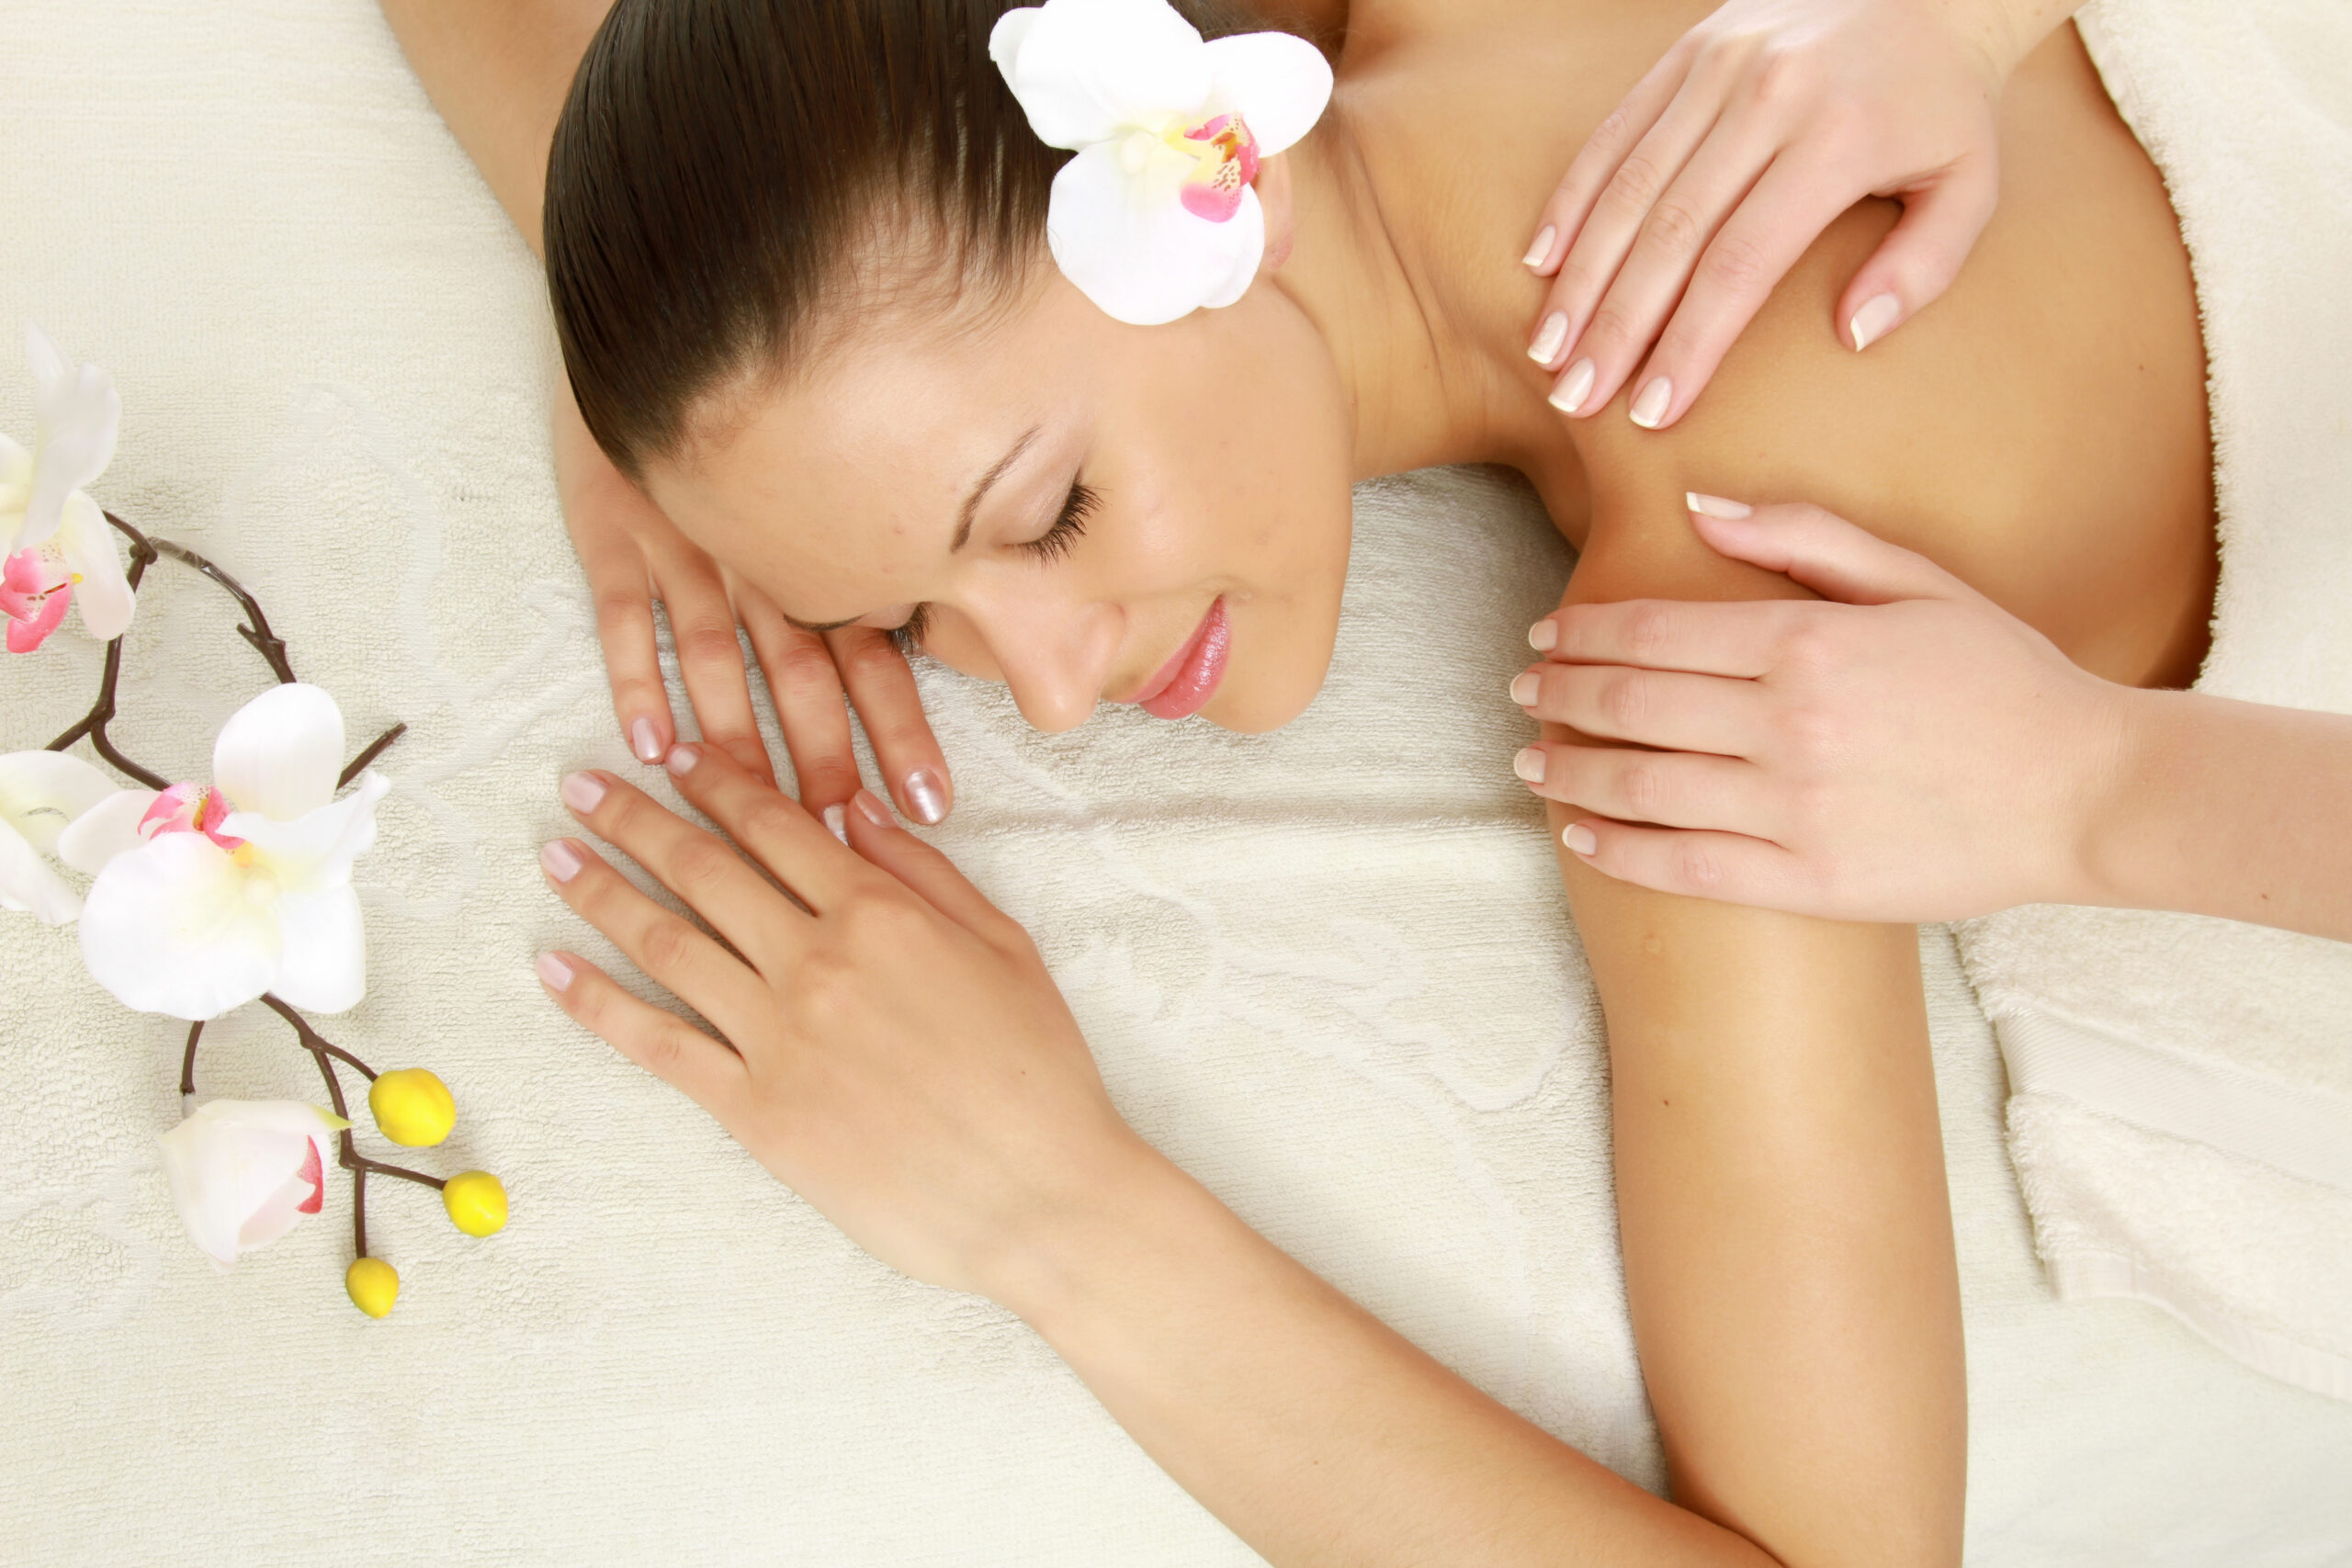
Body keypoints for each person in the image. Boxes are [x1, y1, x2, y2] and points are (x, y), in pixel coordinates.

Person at [379, 0, 2222, 1561]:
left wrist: (1059, 1213)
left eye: (1044, 511)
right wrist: (662, 323)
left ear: (1208, 182)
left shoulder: (1738, 664)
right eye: (899, 620)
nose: (1048, 679)